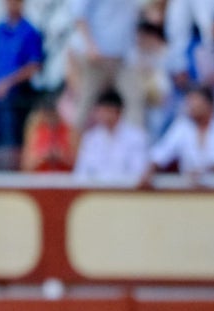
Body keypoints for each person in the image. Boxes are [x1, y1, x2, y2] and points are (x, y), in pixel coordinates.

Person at [0, 0, 43, 148]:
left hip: (15, 96)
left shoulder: (29, 31)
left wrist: (8, 83)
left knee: (9, 139)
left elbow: (34, 66)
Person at [69, 0, 142, 131]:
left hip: (122, 57)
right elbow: (78, 13)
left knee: (134, 101)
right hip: (97, 57)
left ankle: (135, 148)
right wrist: (89, 45)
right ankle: (72, 147)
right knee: (86, 102)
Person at [145, 84, 214, 181]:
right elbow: (161, 153)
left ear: (209, 104)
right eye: (189, 102)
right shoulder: (182, 127)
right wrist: (150, 171)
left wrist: (201, 174)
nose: (190, 107)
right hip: (189, 190)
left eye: (194, 102)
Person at [73, 87, 148, 183]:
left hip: (125, 194)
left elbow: (138, 173)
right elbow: (80, 174)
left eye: (107, 111)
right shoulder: (90, 138)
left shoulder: (136, 138)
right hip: (95, 194)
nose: (103, 115)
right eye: (100, 111)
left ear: (118, 112)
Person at [20, 92, 75, 172]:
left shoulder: (69, 130)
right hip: (40, 179)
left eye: (52, 114)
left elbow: (79, 164)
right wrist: (42, 158)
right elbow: (26, 165)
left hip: (63, 179)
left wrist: (61, 156)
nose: (50, 119)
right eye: (47, 115)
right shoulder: (35, 130)